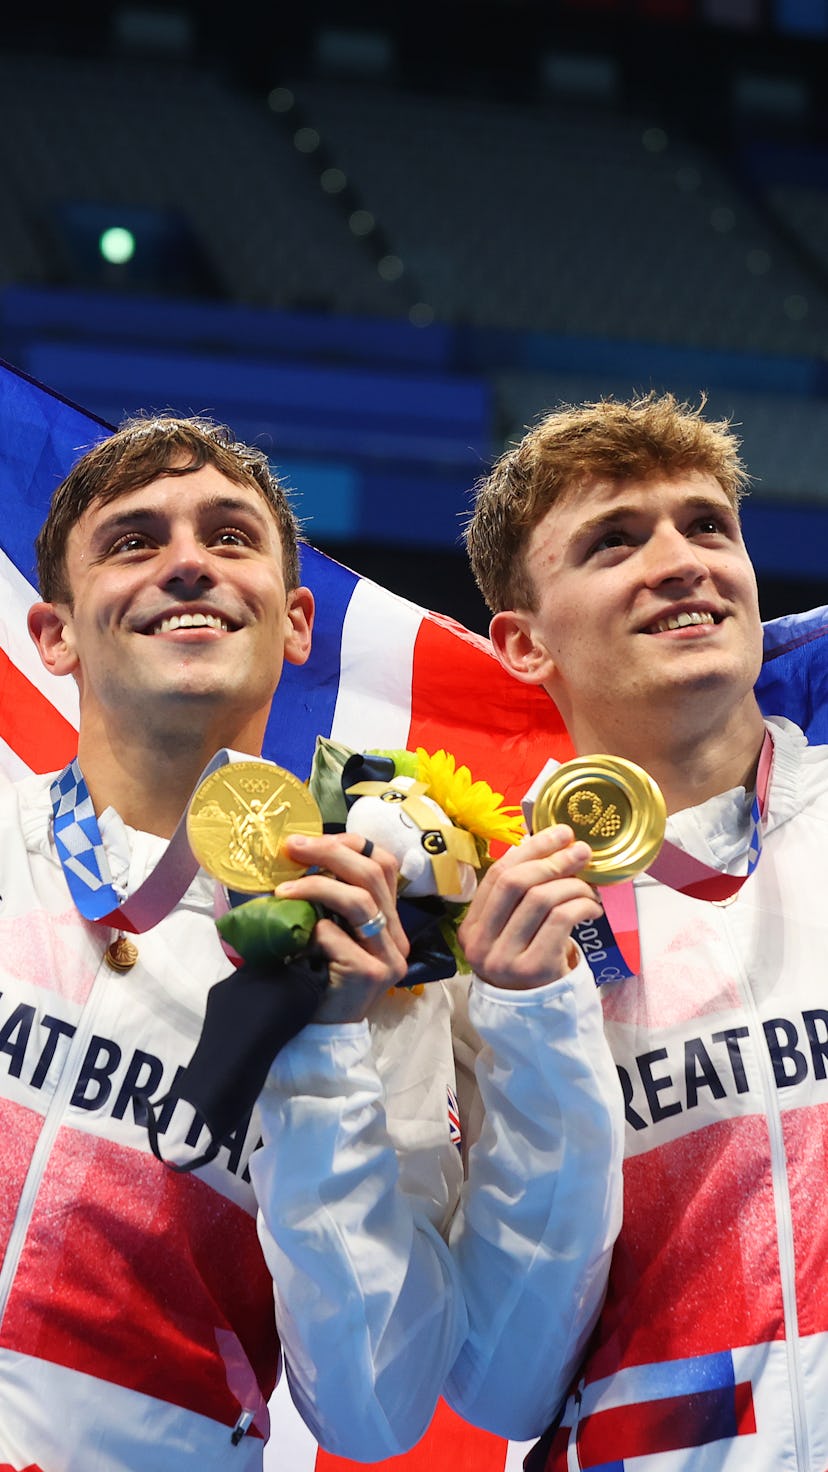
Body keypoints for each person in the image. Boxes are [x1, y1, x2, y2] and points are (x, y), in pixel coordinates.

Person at [0, 413, 624, 1471]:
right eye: (134, 540)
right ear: (54, 633)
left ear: (295, 623)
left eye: (230, 537)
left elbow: (377, 1409)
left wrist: (326, 1051)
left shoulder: (383, 973)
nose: (188, 561)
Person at [463, 389, 828, 1472]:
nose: (682, 561)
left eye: (707, 525)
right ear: (525, 644)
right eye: (615, 541)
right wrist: (527, 1023)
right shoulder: (478, 942)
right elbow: (504, 1381)